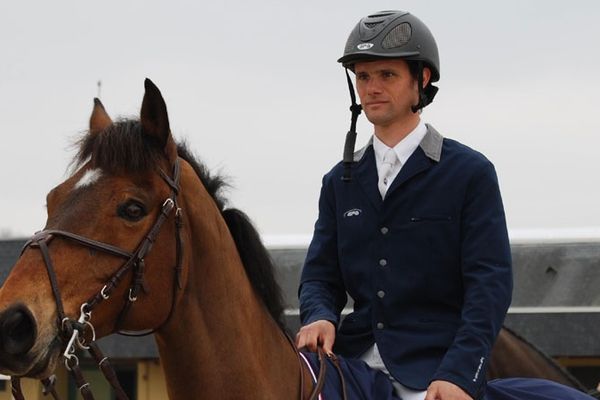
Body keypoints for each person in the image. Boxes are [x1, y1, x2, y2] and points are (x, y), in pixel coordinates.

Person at [296, 10, 512, 400]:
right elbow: (319, 278)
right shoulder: (337, 182)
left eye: (387, 75)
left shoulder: (470, 173)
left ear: (421, 80)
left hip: (434, 372)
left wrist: (460, 374)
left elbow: (489, 286)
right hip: (352, 366)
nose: (372, 88)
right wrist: (319, 316)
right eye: (363, 76)